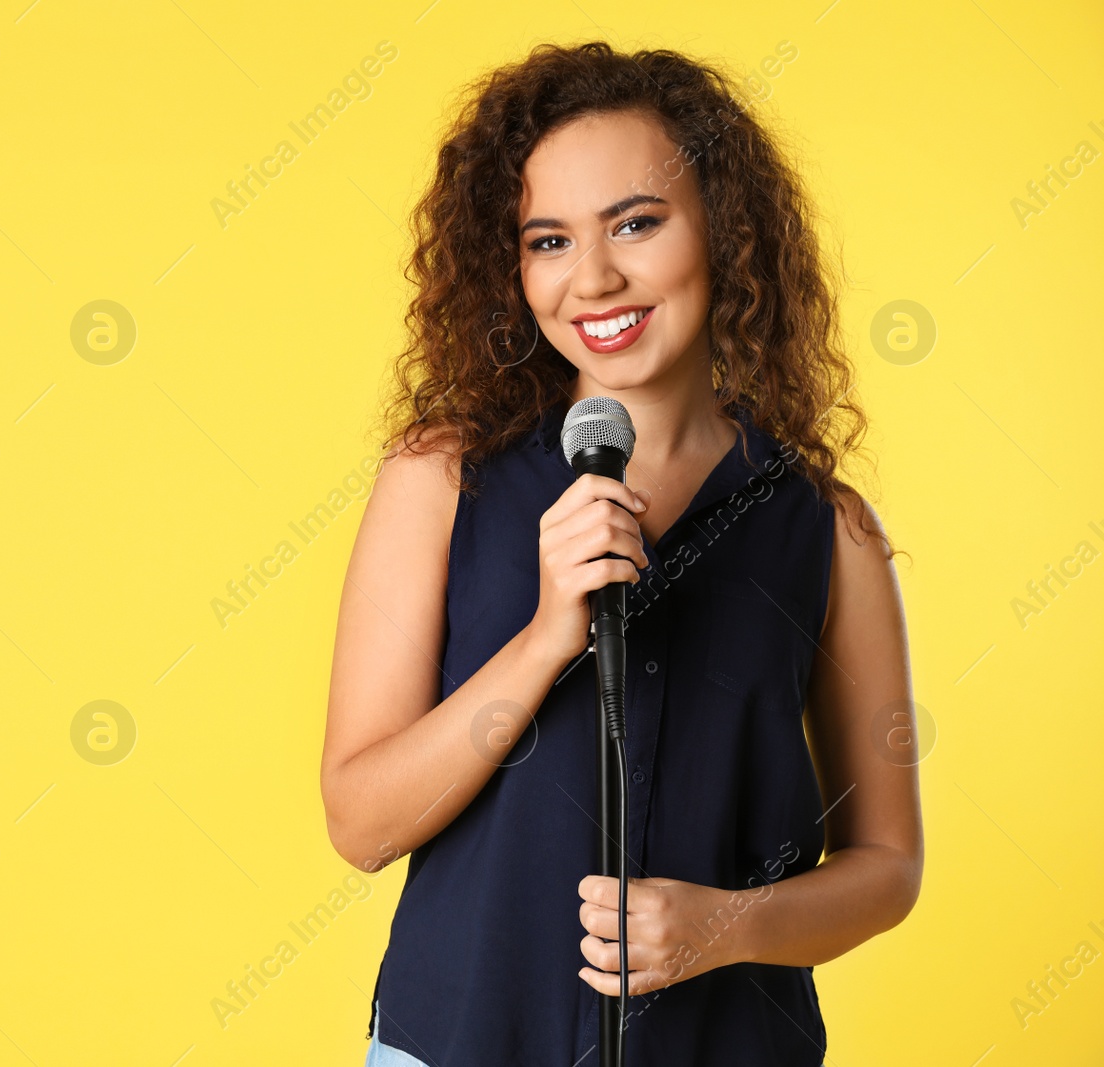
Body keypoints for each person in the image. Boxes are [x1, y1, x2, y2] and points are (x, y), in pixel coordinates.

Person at [320, 41, 924, 1066]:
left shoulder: (826, 529)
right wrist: (545, 634)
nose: (592, 277)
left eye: (635, 223)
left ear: (723, 231)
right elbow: (362, 823)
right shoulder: (439, 480)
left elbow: (887, 865)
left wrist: (726, 926)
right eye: (546, 240)